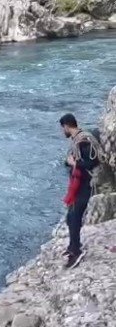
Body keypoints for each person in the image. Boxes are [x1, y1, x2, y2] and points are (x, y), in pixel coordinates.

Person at [60, 113, 101, 269]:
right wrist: (69, 162)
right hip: (78, 185)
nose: (62, 132)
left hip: (85, 185)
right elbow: (73, 161)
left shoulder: (83, 141)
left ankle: (76, 252)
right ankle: (73, 245)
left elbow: (92, 163)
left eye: (62, 128)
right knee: (70, 217)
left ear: (66, 126)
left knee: (75, 217)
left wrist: (73, 163)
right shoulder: (77, 140)